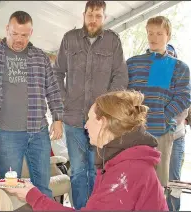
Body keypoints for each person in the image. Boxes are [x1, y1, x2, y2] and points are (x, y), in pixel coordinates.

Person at [5, 90, 168, 211]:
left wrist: (32, 195)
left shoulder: (127, 171)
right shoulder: (119, 162)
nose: (85, 125)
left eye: (89, 118)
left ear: (103, 122)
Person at [0, 11, 64, 198]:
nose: (19, 39)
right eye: (14, 34)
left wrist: (58, 118)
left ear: (31, 33)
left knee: (43, 187)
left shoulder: (41, 57)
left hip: (38, 132)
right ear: (7, 29)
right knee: (10, 188)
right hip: (7, 135)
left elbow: (53, 89)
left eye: (24, 35)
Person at [52, 1, 128, 208]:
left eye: (98, 16)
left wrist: (106, 108)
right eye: (90, 15)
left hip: (101, 122)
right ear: (83, 15)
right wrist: (63, 104)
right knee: (77, 170)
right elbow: (56, 73)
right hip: (73, 119)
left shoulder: (113, 41)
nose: (93, 20)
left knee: (98, 170)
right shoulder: (69, 39)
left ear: (104, 17)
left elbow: (120, 76)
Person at [127, 16, 191, 187]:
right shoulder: (132, 64)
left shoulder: (179, 67)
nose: (153, 38)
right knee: (134, 183)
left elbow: (184, 97)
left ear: (168, 36)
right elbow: (124, 94)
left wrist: (163, 115)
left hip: (162, 133)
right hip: (134, 132)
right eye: (150, 33)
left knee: (158, 185)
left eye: (159, 34)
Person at [165, 44, 191, 211]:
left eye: (172, 54)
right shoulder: (155, 79)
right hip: (157, 136)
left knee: (174, 179)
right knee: (157, 177)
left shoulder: (186, 79)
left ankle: (173, 209)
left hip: (177, 136)